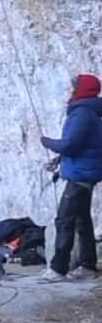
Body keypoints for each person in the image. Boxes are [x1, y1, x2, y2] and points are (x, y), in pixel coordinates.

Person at [39, 73, 102, 282]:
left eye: (74, 87)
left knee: (64, 220)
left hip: (80, 175)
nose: (71, 91)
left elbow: (71, 145)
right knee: (82, 220)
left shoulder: (82, 113)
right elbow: (81, 144)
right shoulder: (92, 111)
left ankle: (58, 269)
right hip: (86, 172)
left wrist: (47, 142)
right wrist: (59, 159)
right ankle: (88, 265)